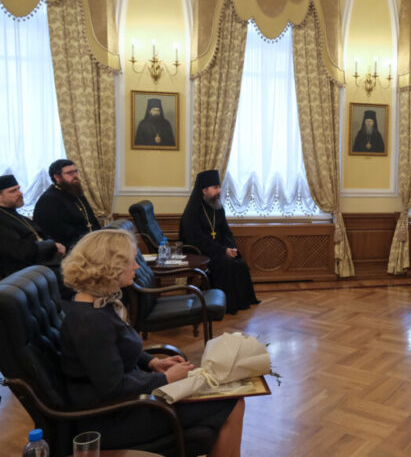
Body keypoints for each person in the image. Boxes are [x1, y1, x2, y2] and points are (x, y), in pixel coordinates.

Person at [59, 229, 245, 455]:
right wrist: (165, 379)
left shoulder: (96, 304)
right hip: (113, 418)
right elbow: (114, 388)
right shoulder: (90, 322)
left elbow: (117, 349)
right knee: (232, 403)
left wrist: (152, 362)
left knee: (226, 399)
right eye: (131, 261)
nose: (137, 267)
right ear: (110, 266)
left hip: (130, 403)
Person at [180, 170, 260, 313]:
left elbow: (226, 231)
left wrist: (231, 247)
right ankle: (226, 305)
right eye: (216, 188)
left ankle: (242, 301)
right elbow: (197, 239)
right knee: (226, 263)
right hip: (201, 252)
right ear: (204, 190)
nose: (219, 191)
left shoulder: (217, 207)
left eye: (219, 187)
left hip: (219, 249)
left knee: (239, 261)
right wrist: (222, 250)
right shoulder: (192, 212)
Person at [0, 174, 65, 278]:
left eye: (18, 189)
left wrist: (54, 245)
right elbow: (22, 252)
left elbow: (41, 235)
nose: (20, 193)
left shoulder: (17, 216)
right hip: (24, 276)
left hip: (41, 266)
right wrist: (52, 245)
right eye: (13, 191)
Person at [33, 159, 101, 250]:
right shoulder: (48, 200)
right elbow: (59, 232)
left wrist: (100, 236)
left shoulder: (76, 192)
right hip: (70, 248)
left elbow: (91, 219)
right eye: (70, 173)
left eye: (76, 171)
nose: (75, 175)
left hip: (89, 242)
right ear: (57, 177)